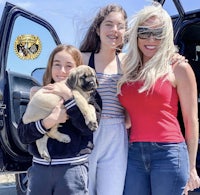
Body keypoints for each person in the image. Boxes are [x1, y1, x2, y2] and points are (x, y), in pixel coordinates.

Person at [117, 2, 200, 195]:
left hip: (169, 154)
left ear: (167, 36)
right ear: (136, 34)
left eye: (158, 33)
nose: (151, 39)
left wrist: (192, 167)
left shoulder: (179, 68)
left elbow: (191, 121)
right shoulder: (127, 69)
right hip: (133, 154)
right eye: (144, 32)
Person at [17, 44, 102, 195]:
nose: (62, 71)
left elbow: (88, 128)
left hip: (72, 170)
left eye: (69, 66)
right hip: (40, 169)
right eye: (57, 65)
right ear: (50, 67)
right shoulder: (42, 93)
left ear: (78, 69)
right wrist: (48, 122)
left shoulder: (90, 95)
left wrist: (69, 98)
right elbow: (23, 135)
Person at [79, 4, 129, 195]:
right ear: (98, 29)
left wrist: (175, 58)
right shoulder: (82, 58)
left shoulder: (127, 61)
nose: (114, 30)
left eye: (120, 26)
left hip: (117, 134)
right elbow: (58, 81)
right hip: (86, 131)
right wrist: (37, 89)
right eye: (109, 24)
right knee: (83, 190)